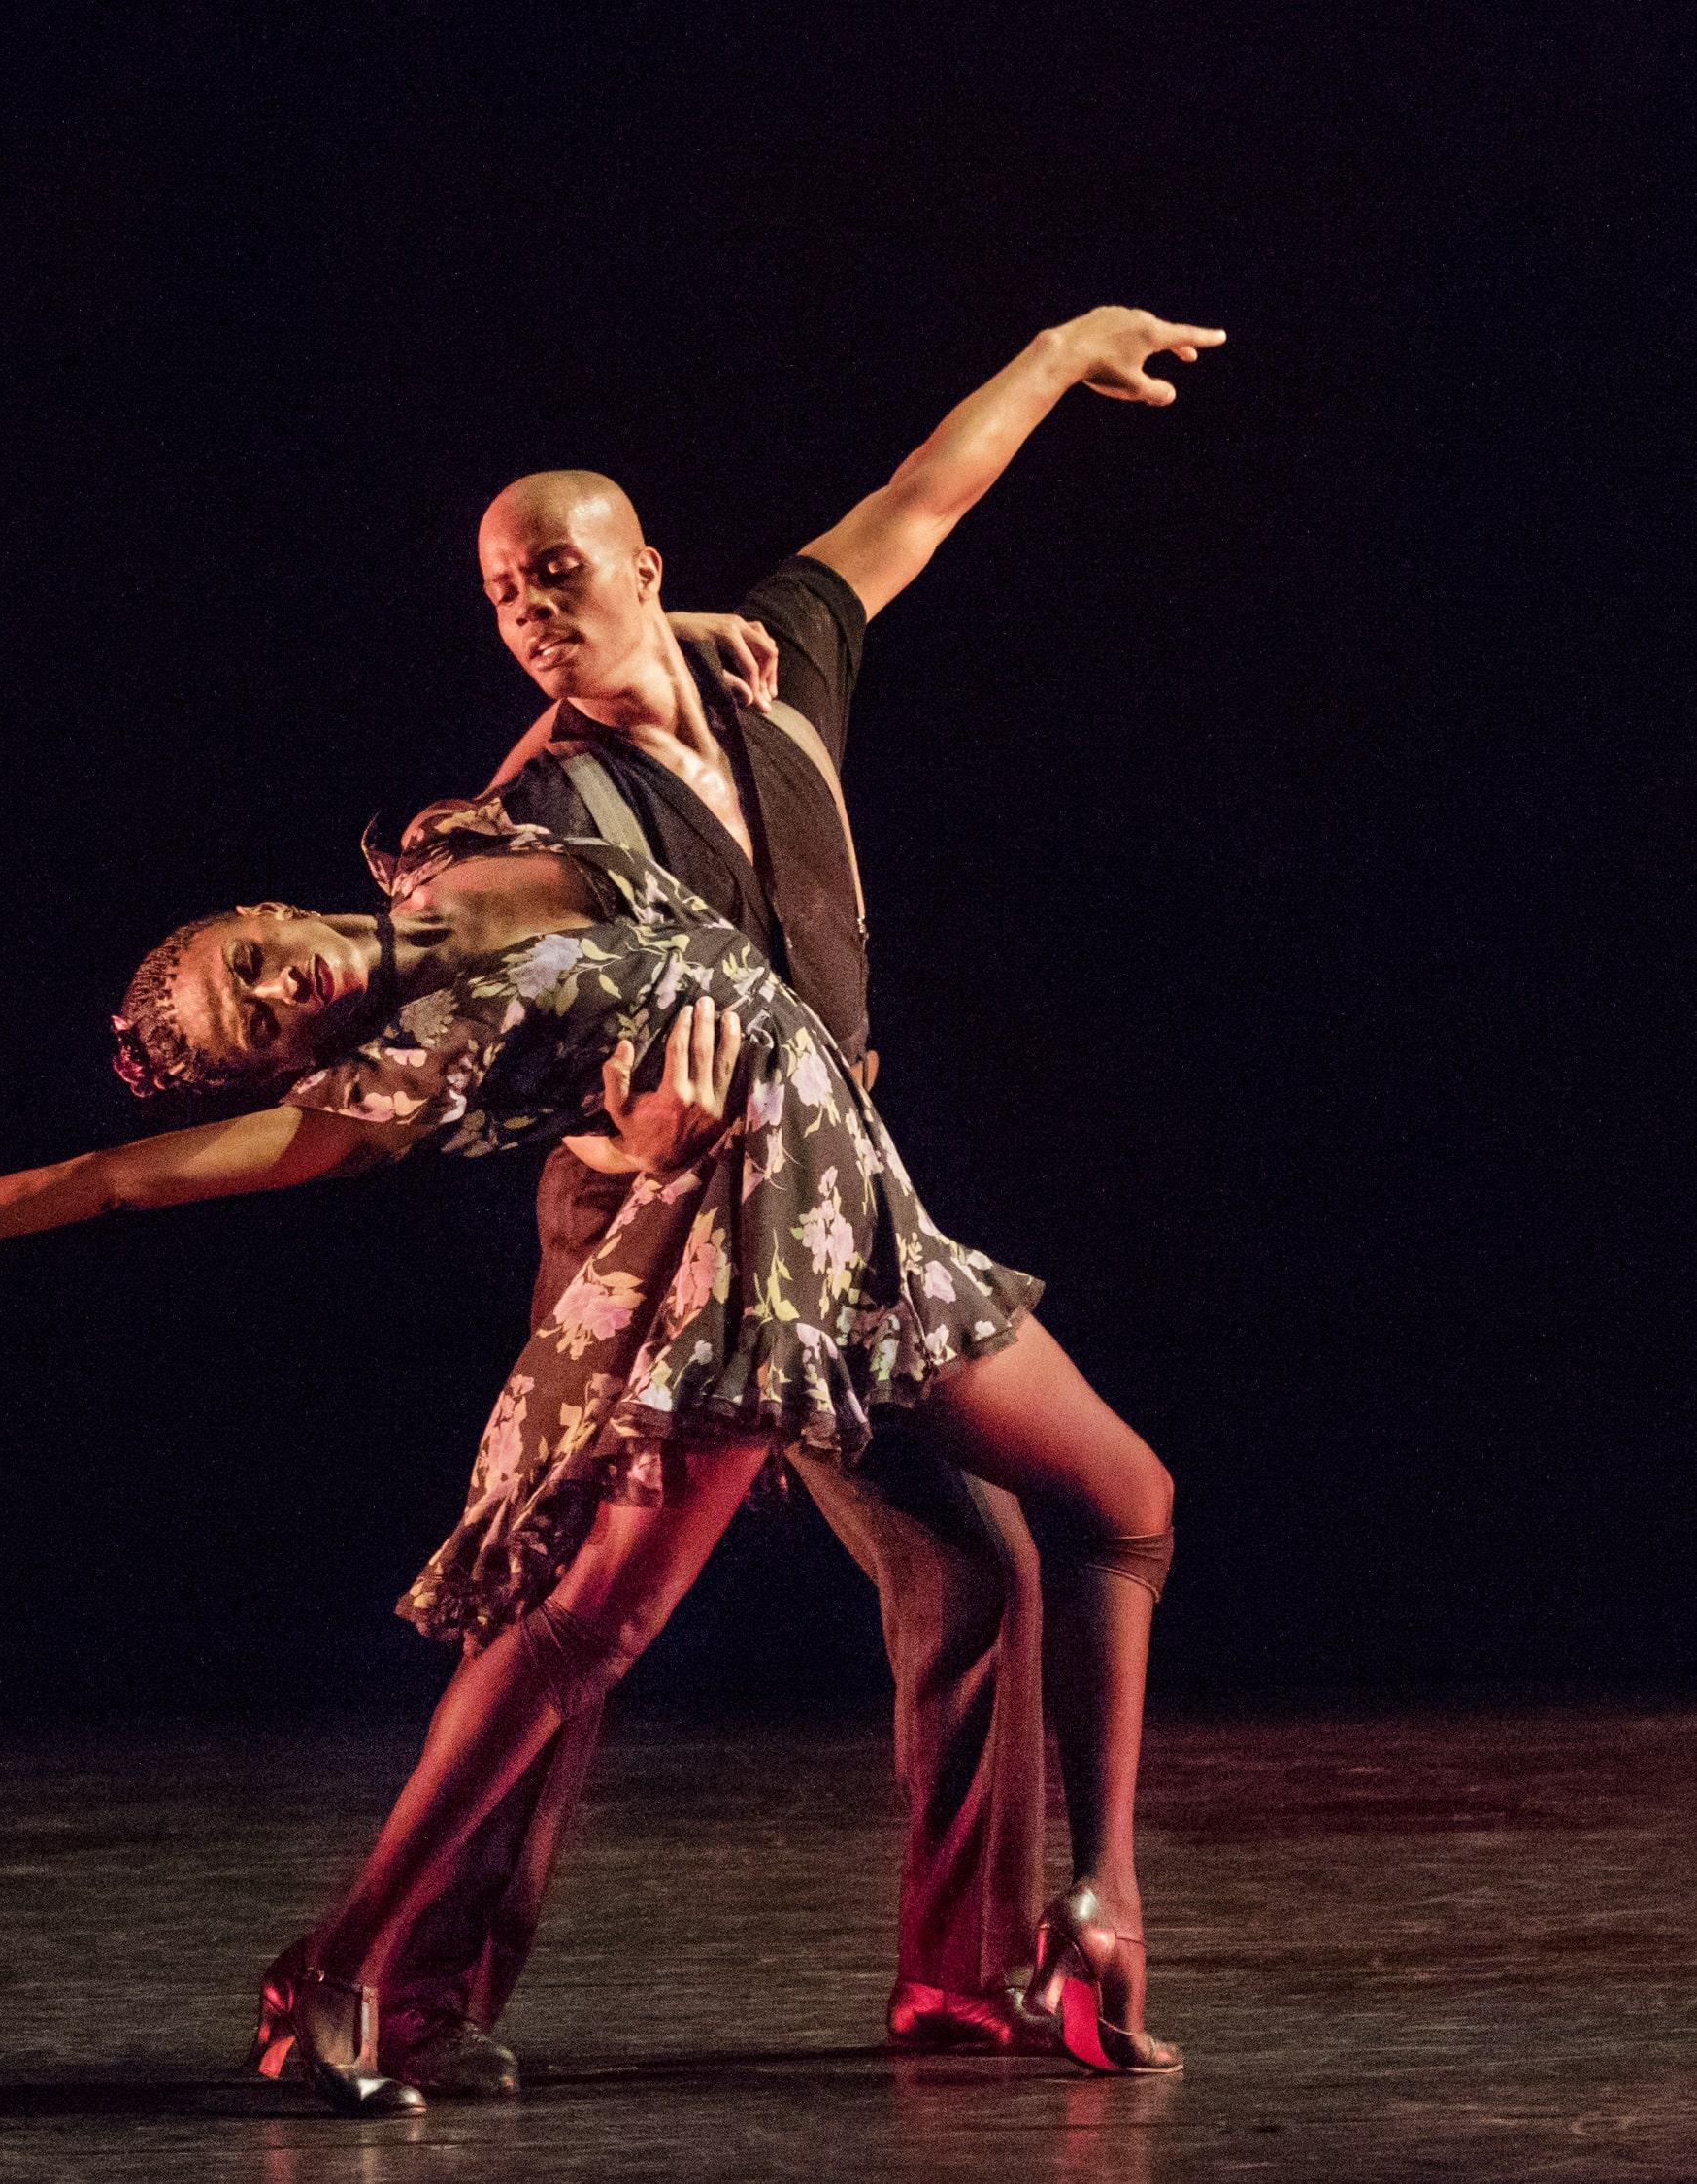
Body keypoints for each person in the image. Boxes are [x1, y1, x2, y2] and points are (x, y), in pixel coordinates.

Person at [0, 783, 1184, 2104]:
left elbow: (601, 706)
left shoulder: (465, 844)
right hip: (731, 1265)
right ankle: (333, 1967)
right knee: (585, 1626)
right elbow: (107, 1180)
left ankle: (1097, 1907)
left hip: (865, 1232)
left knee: (1126, 1501)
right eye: (264, 1026)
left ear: (264, 909)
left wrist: (686, 640)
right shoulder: (417, 1062)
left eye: (248, 965)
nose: (280, 989)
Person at [371, 302, 1228, 2086]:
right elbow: (513, 1058)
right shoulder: (548, 813)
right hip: (652, 1223)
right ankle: (411, 1987)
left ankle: (961, 1977)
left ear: (646, 566)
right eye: (502, 589)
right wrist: (629, 1154)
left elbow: (920, 496)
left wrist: (1061, 353)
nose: (529, 603)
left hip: (834, 1219)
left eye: (559, 571)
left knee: (977, 1563)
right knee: (579, 1611)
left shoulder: (779, 667)